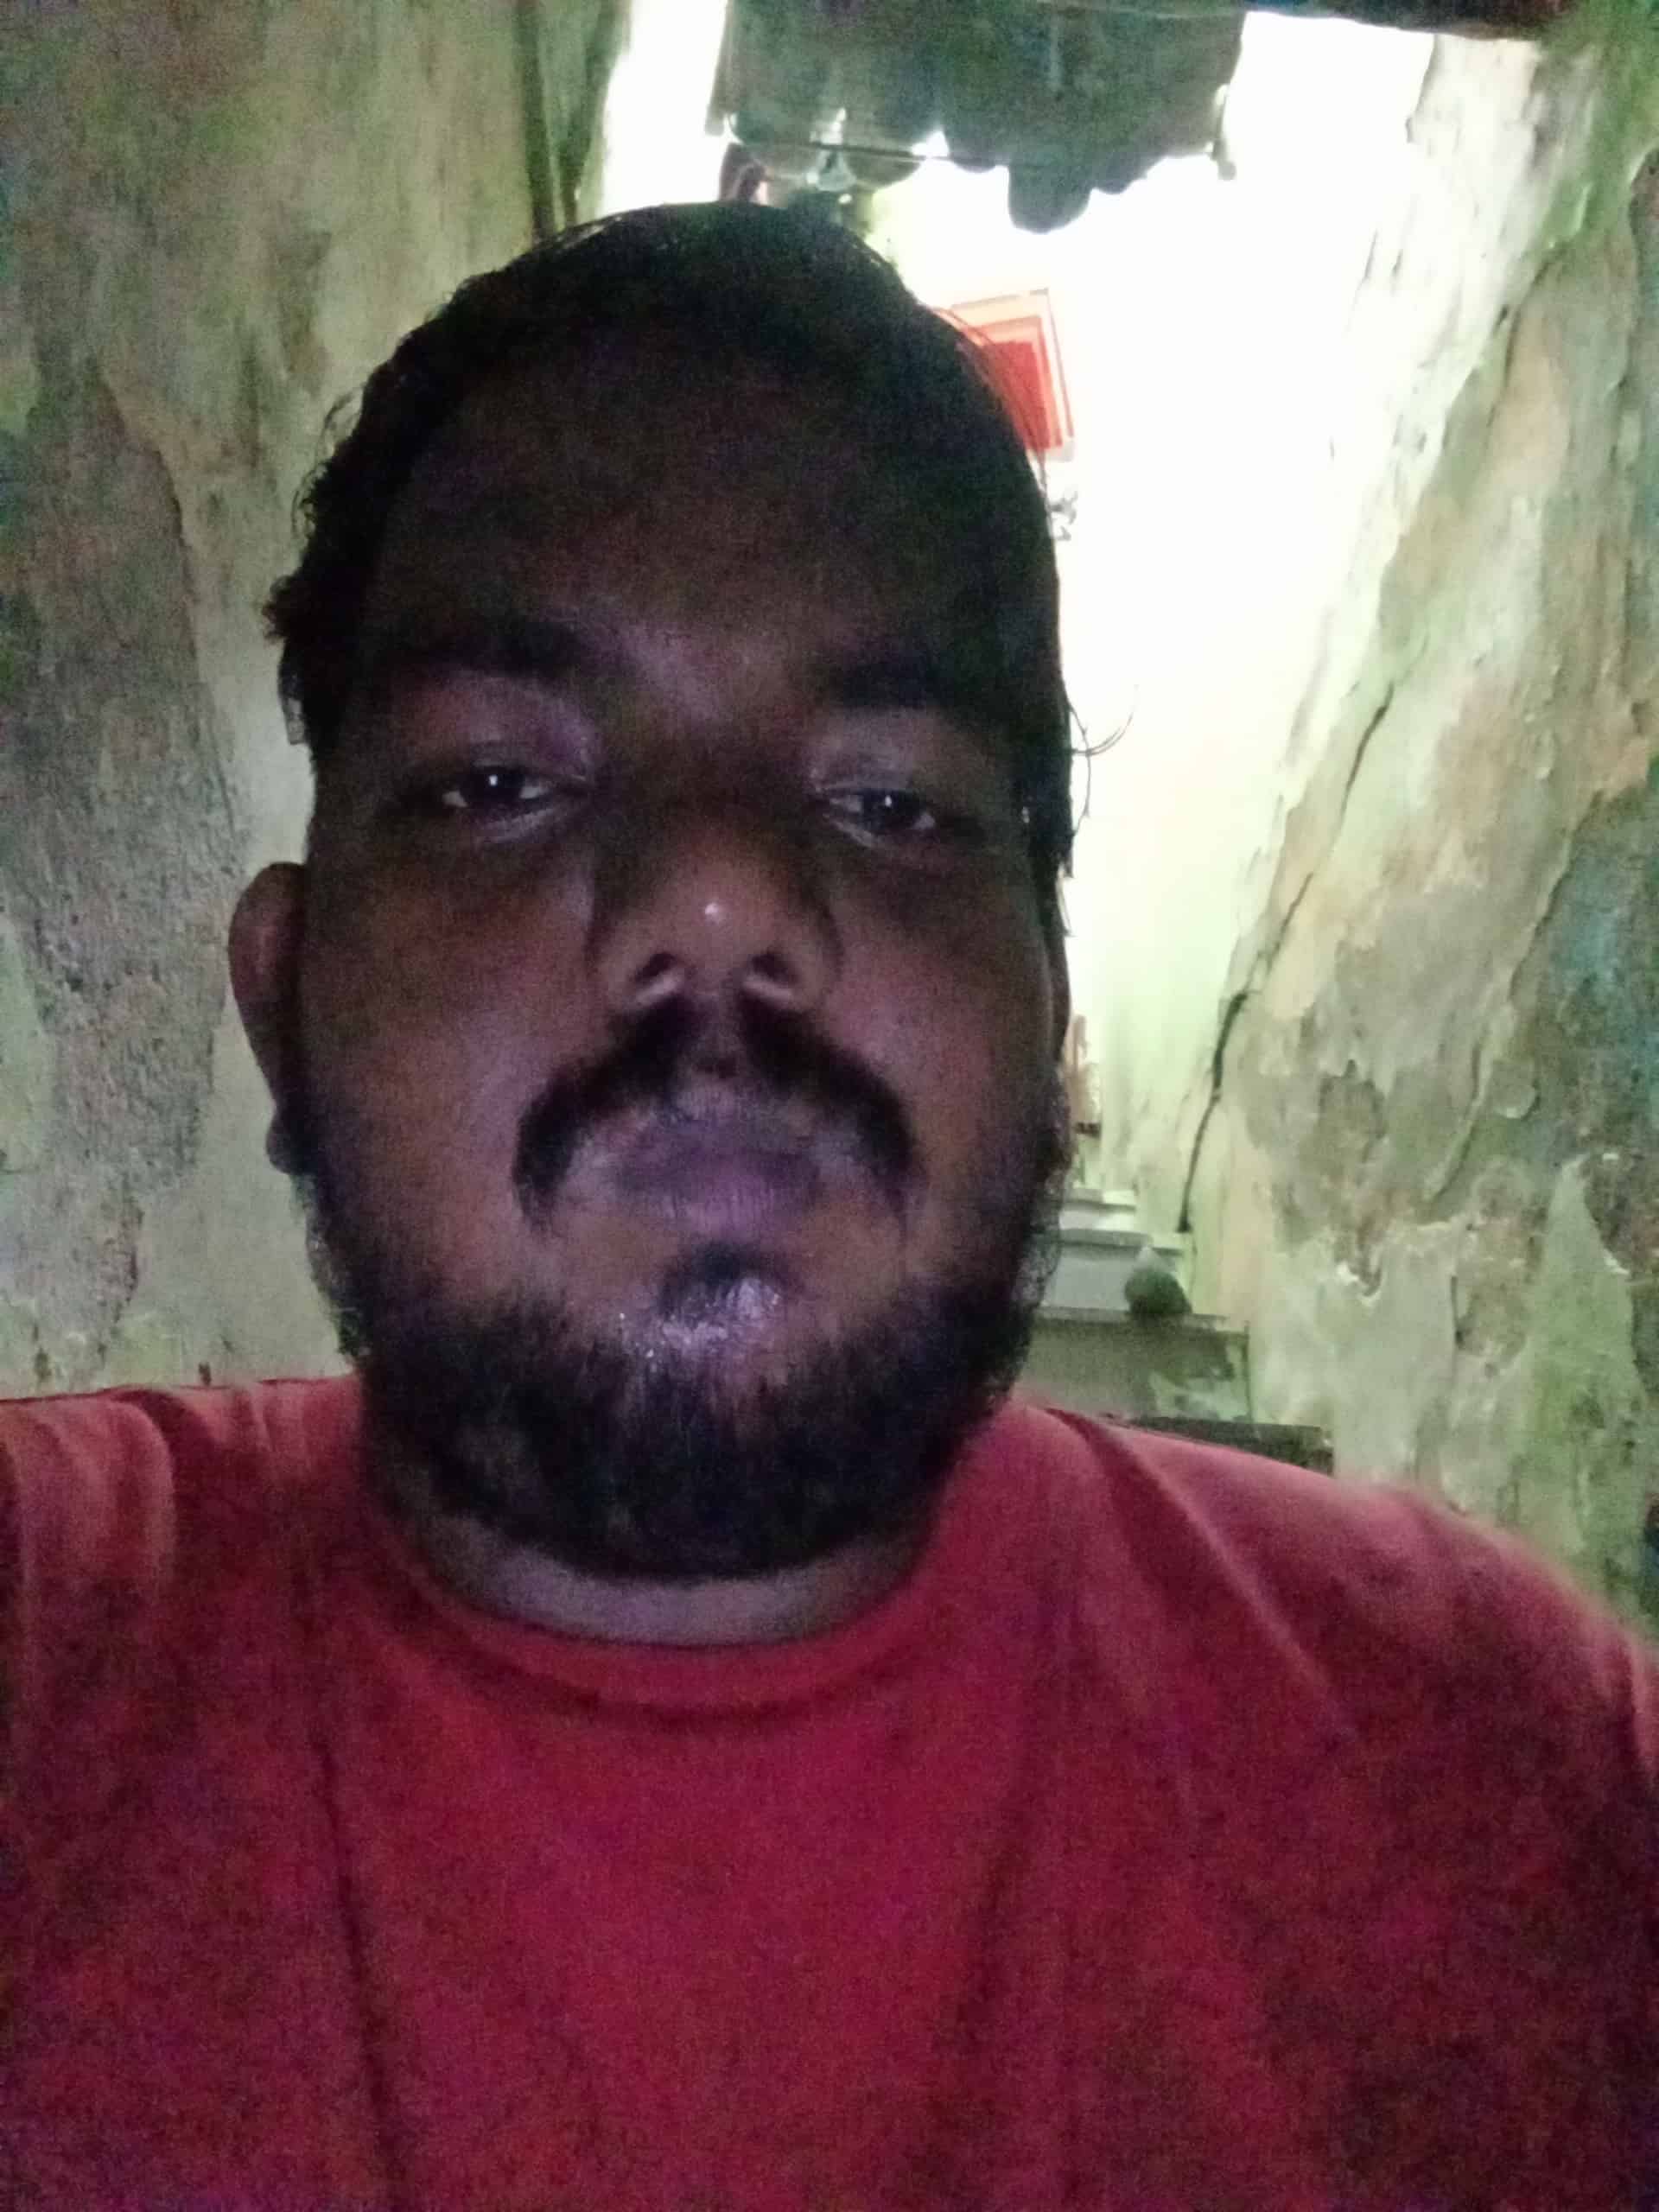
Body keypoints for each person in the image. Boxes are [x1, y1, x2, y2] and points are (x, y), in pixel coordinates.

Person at [1, 202, 1653, 2211]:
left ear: (1054, 1027)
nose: (721, 895)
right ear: (282, 1001)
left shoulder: (1509, 1764)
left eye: (894, 801)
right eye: (497, 781)